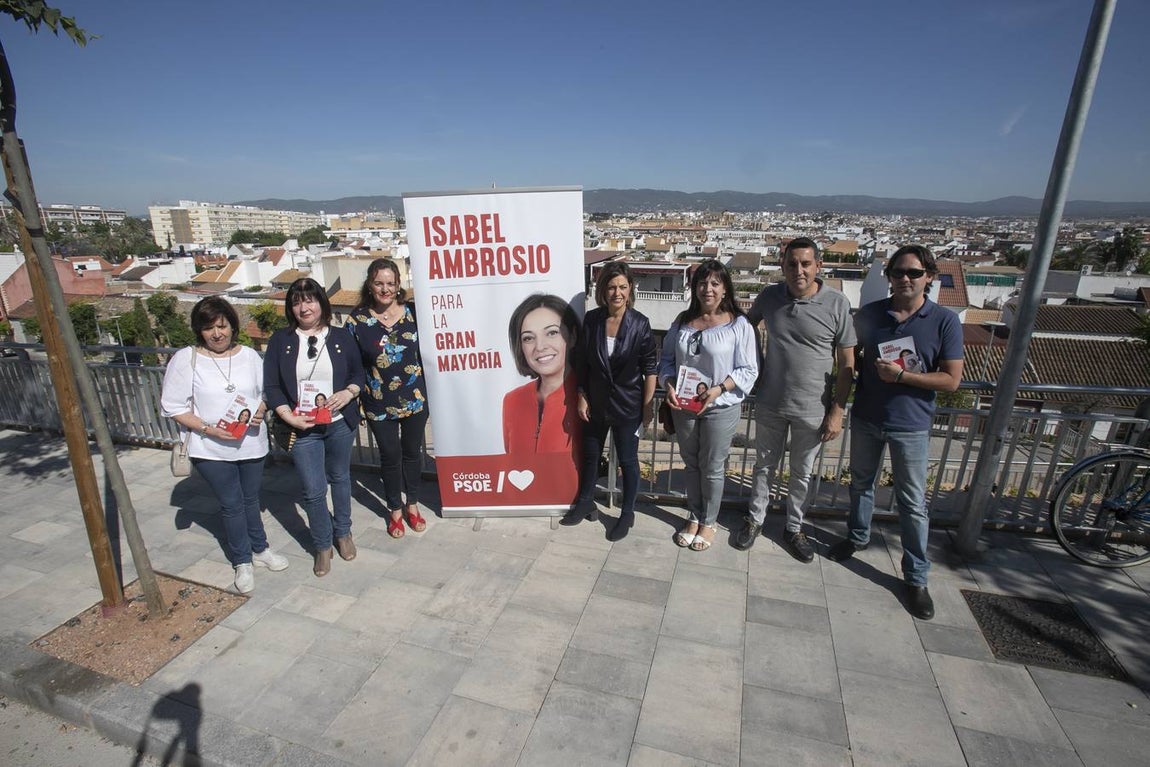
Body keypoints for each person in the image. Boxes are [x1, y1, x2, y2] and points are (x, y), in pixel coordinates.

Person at [827, 245, 964, 621]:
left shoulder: (944, 321)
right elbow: (849, 358)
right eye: (899, 272)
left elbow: (952, 380)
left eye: (914, 273)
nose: (905, 278)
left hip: (912, 425)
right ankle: (857, 537)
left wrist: (904, 377)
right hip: (869, 417)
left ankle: (916, 578)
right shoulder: (871, 315)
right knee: (860, 484)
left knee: (912, 503)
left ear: (929, 278)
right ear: (888, 275)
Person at [736, 238, 856, 560]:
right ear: (783, 266)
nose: (798, 270)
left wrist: (837, 410)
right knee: (763, 466)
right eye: (792, 264)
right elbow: (743, 330)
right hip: (770, 402)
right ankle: (755, 519)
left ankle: (794, 527)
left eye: (805, 264)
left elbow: (847, 363)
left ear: (819, 266)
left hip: (813, 409)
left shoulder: (837, 304)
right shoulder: (770, 297)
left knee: (802, 473)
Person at [160, 297, 288, 594]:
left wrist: (262, 409)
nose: (217, 333)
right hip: (209, 448)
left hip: (250, 444)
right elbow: (173, 406)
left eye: (222, 326)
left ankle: (261, 549)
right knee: (232, 503)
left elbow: (266, 392)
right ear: (199, 330)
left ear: (232, 325)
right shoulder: (185, 359)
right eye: (209, 328)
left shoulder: (250, 357)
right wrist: (208, 429)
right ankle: (242, 560)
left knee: (251, 498)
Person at [264, 278, 366, 577]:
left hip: (338, 423)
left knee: (340, 478)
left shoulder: (342, 337)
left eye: (309, 300)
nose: (304, 307)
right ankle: (322, 545)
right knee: (312, 490)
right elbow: (272, 385)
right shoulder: (280, 341)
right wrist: (288, 416)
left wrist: (348, 393)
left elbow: (358, 373)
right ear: (290, 307)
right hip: (302, 427)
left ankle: (343, 532)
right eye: (297, 301)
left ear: (322, 302)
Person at [658, 259, 758, 551]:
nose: (708, 289)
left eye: (715, 283)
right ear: (694, 287)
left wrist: (719, 389)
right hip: (685, 407)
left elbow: (749, 369)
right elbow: (666, 360)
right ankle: (694, 515)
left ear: (725, 288)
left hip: (721, 407)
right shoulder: (682, 322)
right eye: (702, 283)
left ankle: (709, 521)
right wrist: (668, 385)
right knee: (691, 464)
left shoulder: (739, 325)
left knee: (712, 467)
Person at [563, 262, 657, 541]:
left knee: (627, 461)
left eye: (623, 287)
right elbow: (582, 362)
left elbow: (649, 368)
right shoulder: (592, 320)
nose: (617, 292)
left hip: (629, 404)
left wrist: (648, 407)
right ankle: (585, 501)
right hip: (595, 401)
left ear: (630, 290)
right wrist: (581, 395)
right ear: (603, 290)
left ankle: (627, 513)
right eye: (612, 286)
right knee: (591, 455)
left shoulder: (640, 324)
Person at [347, 258, 429, 540]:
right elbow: (352, 364)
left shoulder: (415, 313)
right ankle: (394, 509)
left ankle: (413, 504)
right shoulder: (356, 320)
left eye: (390, 284)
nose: (385, 289)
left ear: (398, 286)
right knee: (390, 456)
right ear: (370, 284)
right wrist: (353, 399)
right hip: (377, 401)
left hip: (415, 399)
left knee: (411, 454)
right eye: (379, 283)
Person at [502, 293, 582, 458]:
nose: (540, 346)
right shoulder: (513, 400)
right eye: (529, 338)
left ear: (572, 336)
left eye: (552, 333)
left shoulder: (585, 395)